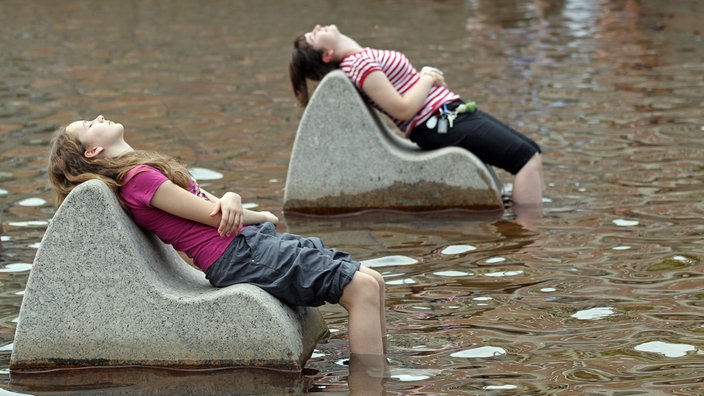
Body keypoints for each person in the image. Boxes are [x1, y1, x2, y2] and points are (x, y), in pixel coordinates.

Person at [47, 115, 387, 357]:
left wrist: (258, 215)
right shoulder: (137, 180)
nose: (100, 117)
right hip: (237, 254)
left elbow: (213, 204)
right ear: (91, 152)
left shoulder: (142, 172)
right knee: (363, 288)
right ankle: (372, 384)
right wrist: (234, 200)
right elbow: (215, 214)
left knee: (374, 279)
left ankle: (377, 374)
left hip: (247, 243)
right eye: (90, 126)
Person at [289, 24, 545, 209]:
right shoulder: (359, 64)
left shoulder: (360, 59)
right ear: (326, 54)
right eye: (314, 35)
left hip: (447, 115)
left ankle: (522, 229)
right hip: (438, 122)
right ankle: (528, 239)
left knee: (531, 152)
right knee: (526, 161)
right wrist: (428, 77)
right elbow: (402, 109)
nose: (318, 26)